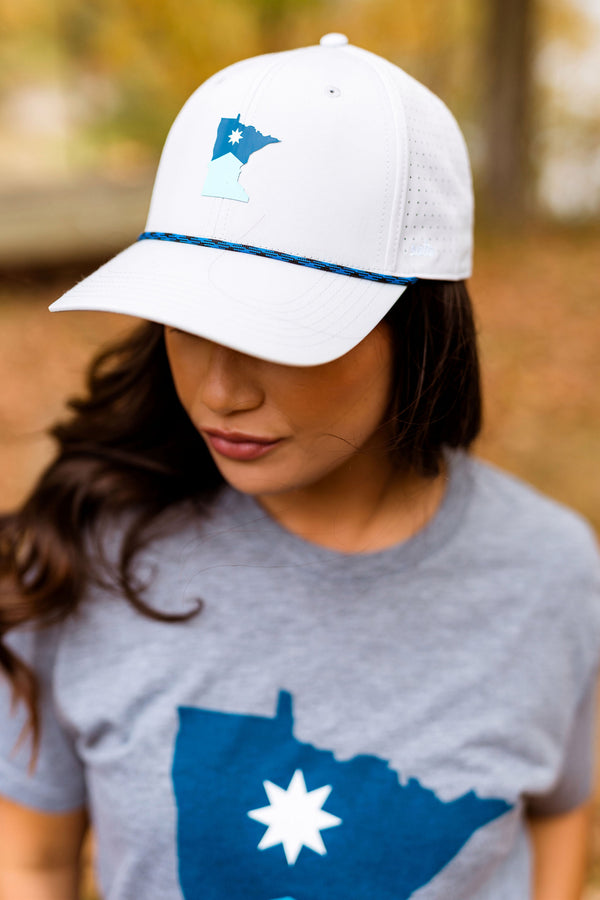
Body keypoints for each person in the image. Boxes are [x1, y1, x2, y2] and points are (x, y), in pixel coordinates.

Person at [0, 32, 599, 900]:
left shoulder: (550, 572)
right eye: (188, 315)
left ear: (421, 322)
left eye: (280, 331)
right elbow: (32, 861)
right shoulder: (82, 554)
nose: (219, 389)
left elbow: (558, 810)